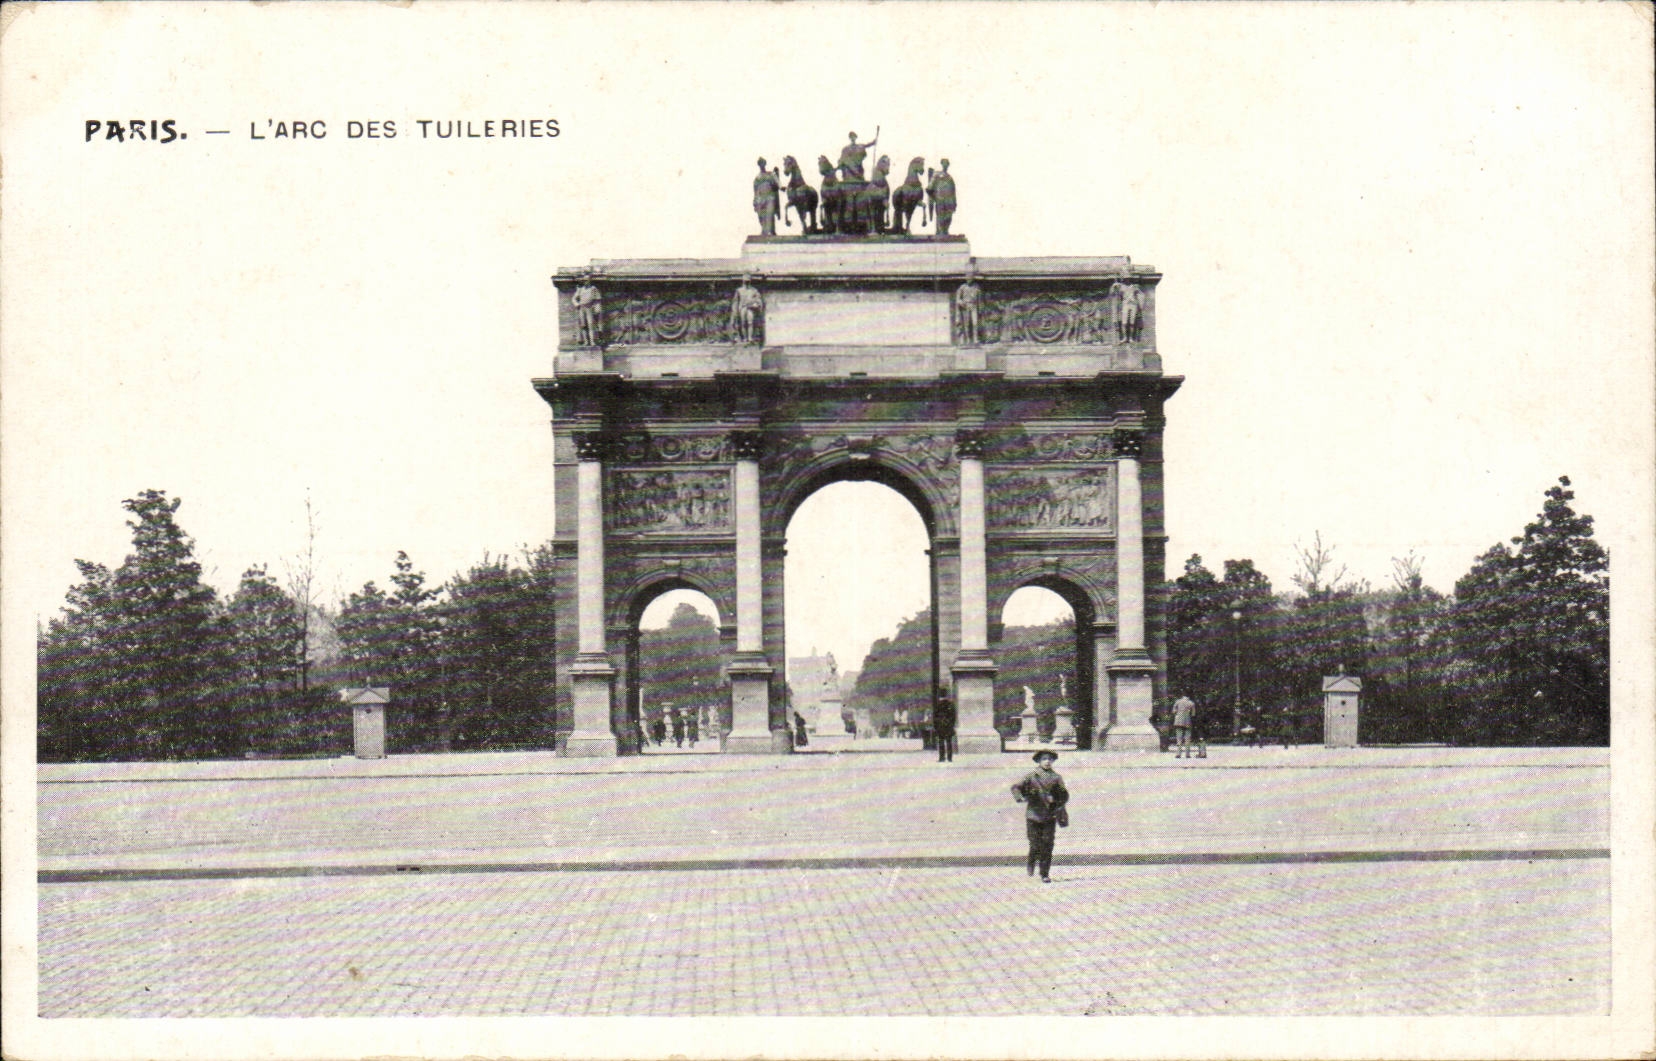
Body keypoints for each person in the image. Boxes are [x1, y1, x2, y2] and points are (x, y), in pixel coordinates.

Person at [1011, 749, 1069, 882]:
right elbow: (1016, 787)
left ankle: (1044, 874)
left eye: (1050, 759)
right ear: (1038, 761)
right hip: (1033, 815)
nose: (1047, 762)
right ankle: (1031, 860)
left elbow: (1064, 795)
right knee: (1035, 844)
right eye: (1044, 759)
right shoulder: (1031, 776)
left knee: (1047, 845)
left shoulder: (1057, 778)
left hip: (1049, 816)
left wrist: (1056, 800)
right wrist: (1020, 797)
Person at [927, 158, 957, 235]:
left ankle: (945, 231)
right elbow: (930, 187)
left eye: (947, 163)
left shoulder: (950, 178)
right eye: (944, 163)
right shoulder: (937, 175)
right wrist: (933, 197)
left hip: (949, 200)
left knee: (948, 217)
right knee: (940, 216)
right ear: (942, 164)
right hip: (940, 199)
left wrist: (954, 202)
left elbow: (953, 191)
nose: (945, 165)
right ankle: (940, 232)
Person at [753, 158, 781, 236]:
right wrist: (755, 200)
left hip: (770, 197)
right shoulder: (757, 177)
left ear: (765, 164)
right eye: (760, 163)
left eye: (762, 163)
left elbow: (777, 182)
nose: (761, 165)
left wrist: (781, 187)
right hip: (760, 199)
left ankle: (771, 232)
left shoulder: (770, 174)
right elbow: (755, 189)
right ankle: (764, 231)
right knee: (761, 216)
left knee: (770, 214)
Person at [933, 688, 957, 763]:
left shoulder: (938, 705)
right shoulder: (950, 704)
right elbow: (953, 716)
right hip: (948, 726)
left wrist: (936, 726)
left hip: (940, 726)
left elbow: (935, 717)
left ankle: (942, 757)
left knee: (941, 742)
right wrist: (951, 724)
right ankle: (949, 758)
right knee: (949, 742)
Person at [1172, 693, 1196, 759]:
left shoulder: (1177, 702)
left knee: (1179, 738)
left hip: (1178, 722)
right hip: (1187, 722)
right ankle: (1187, 754)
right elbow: (1193, 714)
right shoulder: (1191, 703)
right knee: (1187, 738)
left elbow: (1174, 711)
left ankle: (1178, 754)